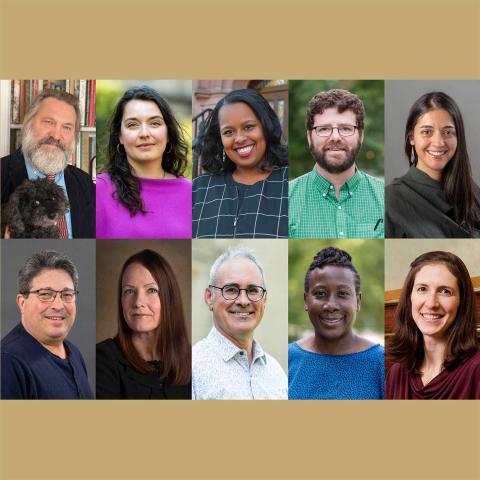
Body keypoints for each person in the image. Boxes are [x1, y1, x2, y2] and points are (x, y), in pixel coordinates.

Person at [96, 86, 191, 238]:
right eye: (133, 125)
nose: (145, 134)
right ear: (120, 136)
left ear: (168, 133)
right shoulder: (99, 189)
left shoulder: (192, 193)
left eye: (154, 123)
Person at [288, 247, 384, 399]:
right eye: (320, 293)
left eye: (343, 293)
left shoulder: (382, 363)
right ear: (306, 301)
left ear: (358, 302)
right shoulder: (288, 359)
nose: (331, 305)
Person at [192, 247, 287, 399]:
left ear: (264, 299)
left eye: (253, 290)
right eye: (231, 290)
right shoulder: (192, 368)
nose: (243, 301)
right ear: (210, 297)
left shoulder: (276, 371)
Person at [192, 89, 288, 238]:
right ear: (220, 139)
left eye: (248, 127)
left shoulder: (290, 184)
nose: (239, 139)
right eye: (228, 132)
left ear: (266, 127)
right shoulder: (198, 190)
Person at [289, 89, 384, 239]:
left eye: (345, 129)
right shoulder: (286, 199)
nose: (335, 137)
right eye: (324, 129)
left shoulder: (386, 198)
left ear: (361, 135)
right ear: (309, 137)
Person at [96, 249, 191, 399]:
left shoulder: (196, 361)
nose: (138, 302)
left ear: (169, 298)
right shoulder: (102, 360)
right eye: (129, 291)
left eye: (151, 290)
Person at [1, 89, 95, 238]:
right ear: (29, 124)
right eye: (49, 122)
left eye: (67, 127)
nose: (56, 135)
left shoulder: (85, 183)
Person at [386, 251, 480, 399]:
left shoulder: (476, 371)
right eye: (422, 289)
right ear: (409, 297)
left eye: (445, 291)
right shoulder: (397, 373)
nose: (431, 303)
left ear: (462, 302)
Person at [385, 92, 480, 238]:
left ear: (458, 137)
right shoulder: (390, 201)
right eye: (427, 132)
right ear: (412, 138)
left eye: (448, 132)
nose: (438, 143)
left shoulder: (473, 192)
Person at [1, 250, 93, 399]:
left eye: (67, 295)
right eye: (45, 294)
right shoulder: (8, 362)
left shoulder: (74, 353)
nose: (58, 305)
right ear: (22, 302)